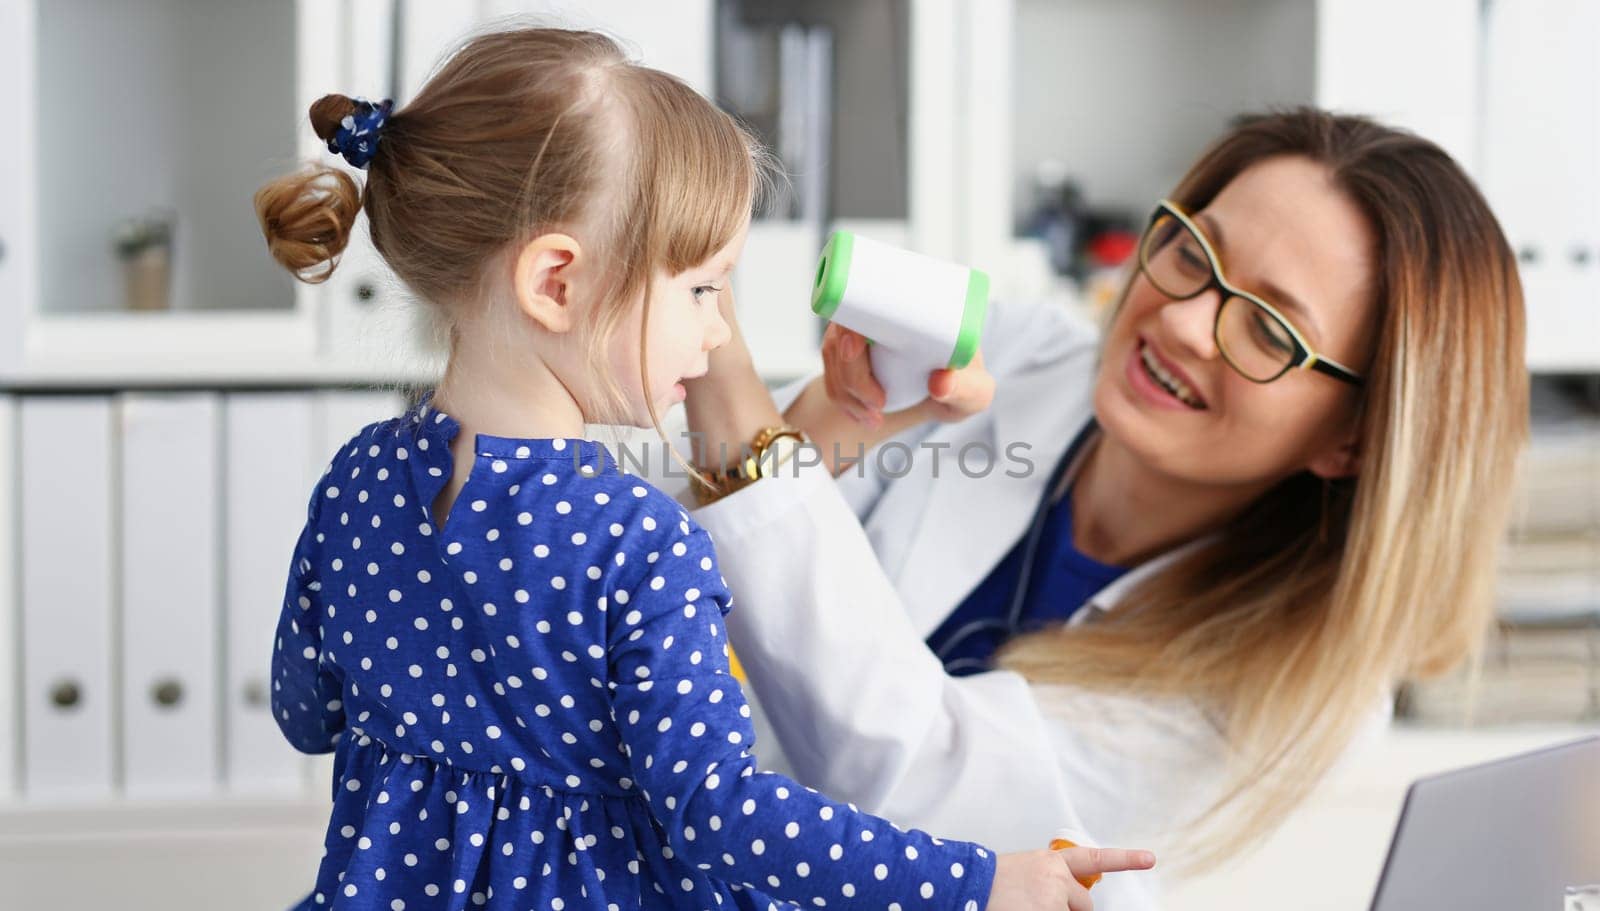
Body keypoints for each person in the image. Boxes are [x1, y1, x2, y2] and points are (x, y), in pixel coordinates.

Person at [253, 26, 1151, 911]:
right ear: (556, 284)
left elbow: (309, 713)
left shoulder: (358, 481)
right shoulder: (640, 543)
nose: (719, 332)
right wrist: (981, 881)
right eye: (703, 289)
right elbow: (718, 814)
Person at [680, 108, 1528, 909]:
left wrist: (702, 311)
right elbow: (678, 571)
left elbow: (917, 784)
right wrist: (838, 414)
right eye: (1195, 254)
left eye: (1270, 331)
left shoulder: (1295, 697)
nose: (1187, 322)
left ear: (1355, 441)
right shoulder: (1021, 353)